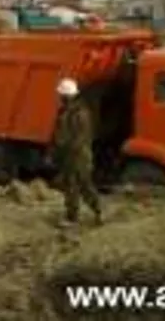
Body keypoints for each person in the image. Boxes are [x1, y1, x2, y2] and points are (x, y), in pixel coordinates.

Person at [53, 78, 103, 225]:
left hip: (78, 156)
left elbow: (79, 138)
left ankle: (95, 212)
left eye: (62, 95)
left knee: (82, 185)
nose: (60, 98)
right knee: (72, 186)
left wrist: (65, 149)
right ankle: (74, 215)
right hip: (74, 155)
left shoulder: (79, 114)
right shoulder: (71, 112)